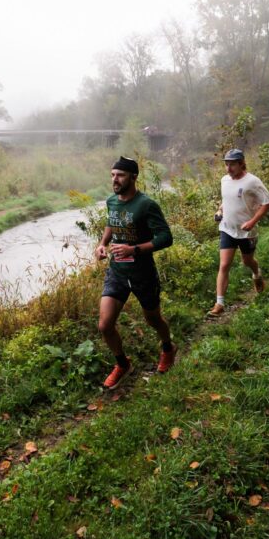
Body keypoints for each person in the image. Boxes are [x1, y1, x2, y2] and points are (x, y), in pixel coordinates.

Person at [95, 156, 176, 389]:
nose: (115, 179)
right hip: (117, 271)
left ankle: (168, 348)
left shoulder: (146, 205)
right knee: (105, 325)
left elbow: (165, 238)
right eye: (112, 175)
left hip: (142, 273)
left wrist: (134, 249)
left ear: (133, 177)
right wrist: (102, 244)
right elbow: (111, 223)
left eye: (119, 175)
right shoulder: (112, 201)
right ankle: (122, 364)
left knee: (153, 319)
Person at [208, 148, 269, 317]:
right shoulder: (224, 180)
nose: (228, 169)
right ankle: (219, 303)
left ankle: (256, 274)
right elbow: (226, 200)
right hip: (227, 229)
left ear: (241, 164)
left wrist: (252, 222)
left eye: (232, 165)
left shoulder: (252, 182)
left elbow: (268, 202)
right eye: (226, 165)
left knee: (247, 261)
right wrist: (220, 211)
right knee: (224, 265)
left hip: (247, 232)